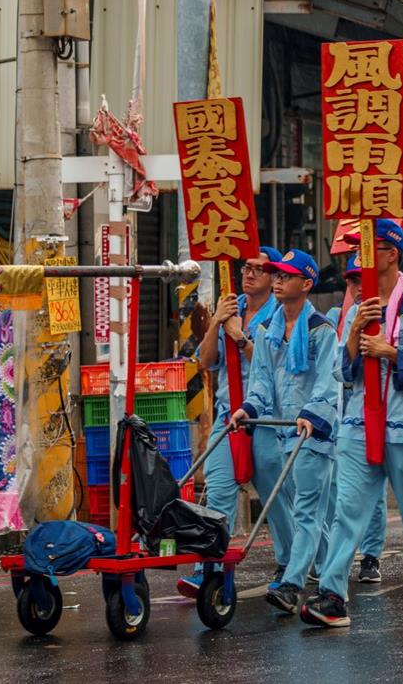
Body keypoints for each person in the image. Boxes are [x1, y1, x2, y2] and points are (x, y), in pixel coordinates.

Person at [302, 219, 403, 626]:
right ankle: (332, 595)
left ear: (392, 254)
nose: (359, 256)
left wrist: (390, 353)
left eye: (370, 247)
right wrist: (352, 340)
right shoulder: (357, 306)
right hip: (358, 424)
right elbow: (338, 372)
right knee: (347, 510)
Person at [225, 250, 339, 614]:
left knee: (306, 510)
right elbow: (261, 382)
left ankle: (292, 584)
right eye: (276, 275)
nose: (277, 280)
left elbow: (328, 384)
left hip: (313, 432)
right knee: (309, 510)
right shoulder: (266, 331)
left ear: (305, 284)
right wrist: (248, 408)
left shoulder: (321, 330)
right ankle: (330, 574)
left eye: (286, 276)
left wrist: (311, 415)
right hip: (283, 432)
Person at [180, 246, 281, 598]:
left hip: (268, 418)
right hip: (229, 415)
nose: (249, 274)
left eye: (259, 269)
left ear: (273, 277)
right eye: (246, 268)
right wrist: (216, 324)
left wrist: (239, 335)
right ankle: (207, 569)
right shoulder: (230, 308)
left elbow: (272, 365)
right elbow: (207, 362)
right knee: (218, 493)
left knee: (275, 499)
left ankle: (289, 567)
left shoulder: (279, 314)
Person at [325, 253, 388, 584]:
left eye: (360, 278)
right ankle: (333, 573)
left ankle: (372, 554)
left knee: (373, 493)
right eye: (350, 280)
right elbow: (338, 369)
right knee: (342, 494)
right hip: (343, 413)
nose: (356, 285)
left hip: (380, 415)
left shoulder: (395, 310)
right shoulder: (340, 315)